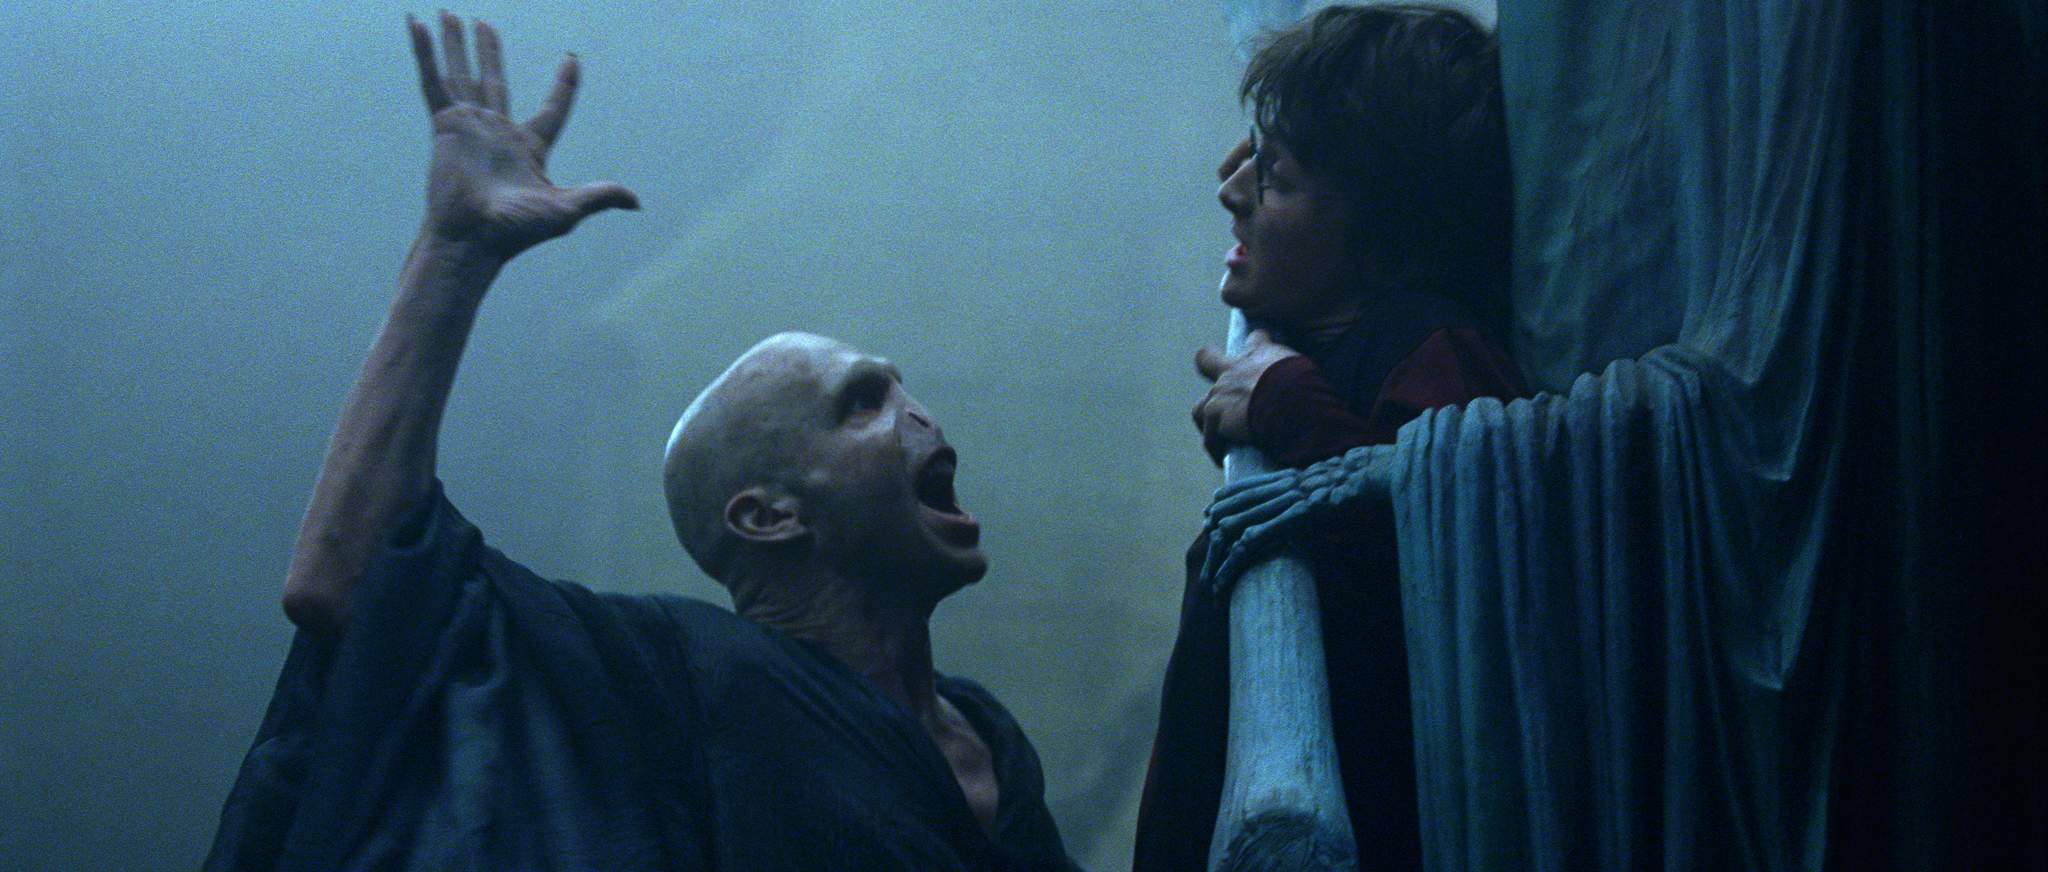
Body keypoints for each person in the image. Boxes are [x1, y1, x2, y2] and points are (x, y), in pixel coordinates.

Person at [205, 14, 1077, 870]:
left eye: (901, 388)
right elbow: (353, 582)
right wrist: (454, 250)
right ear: (767, 516)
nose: (920, 415)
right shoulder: (683, 678)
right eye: (861, 404)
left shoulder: (993, 744)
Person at [1134, 6, 1528, 870]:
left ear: (1386, 243)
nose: (1231, 191)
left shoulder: (1433, 351)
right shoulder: (1330, 335)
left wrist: (1290, 406)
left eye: (1272, 178)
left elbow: (1448, 566)